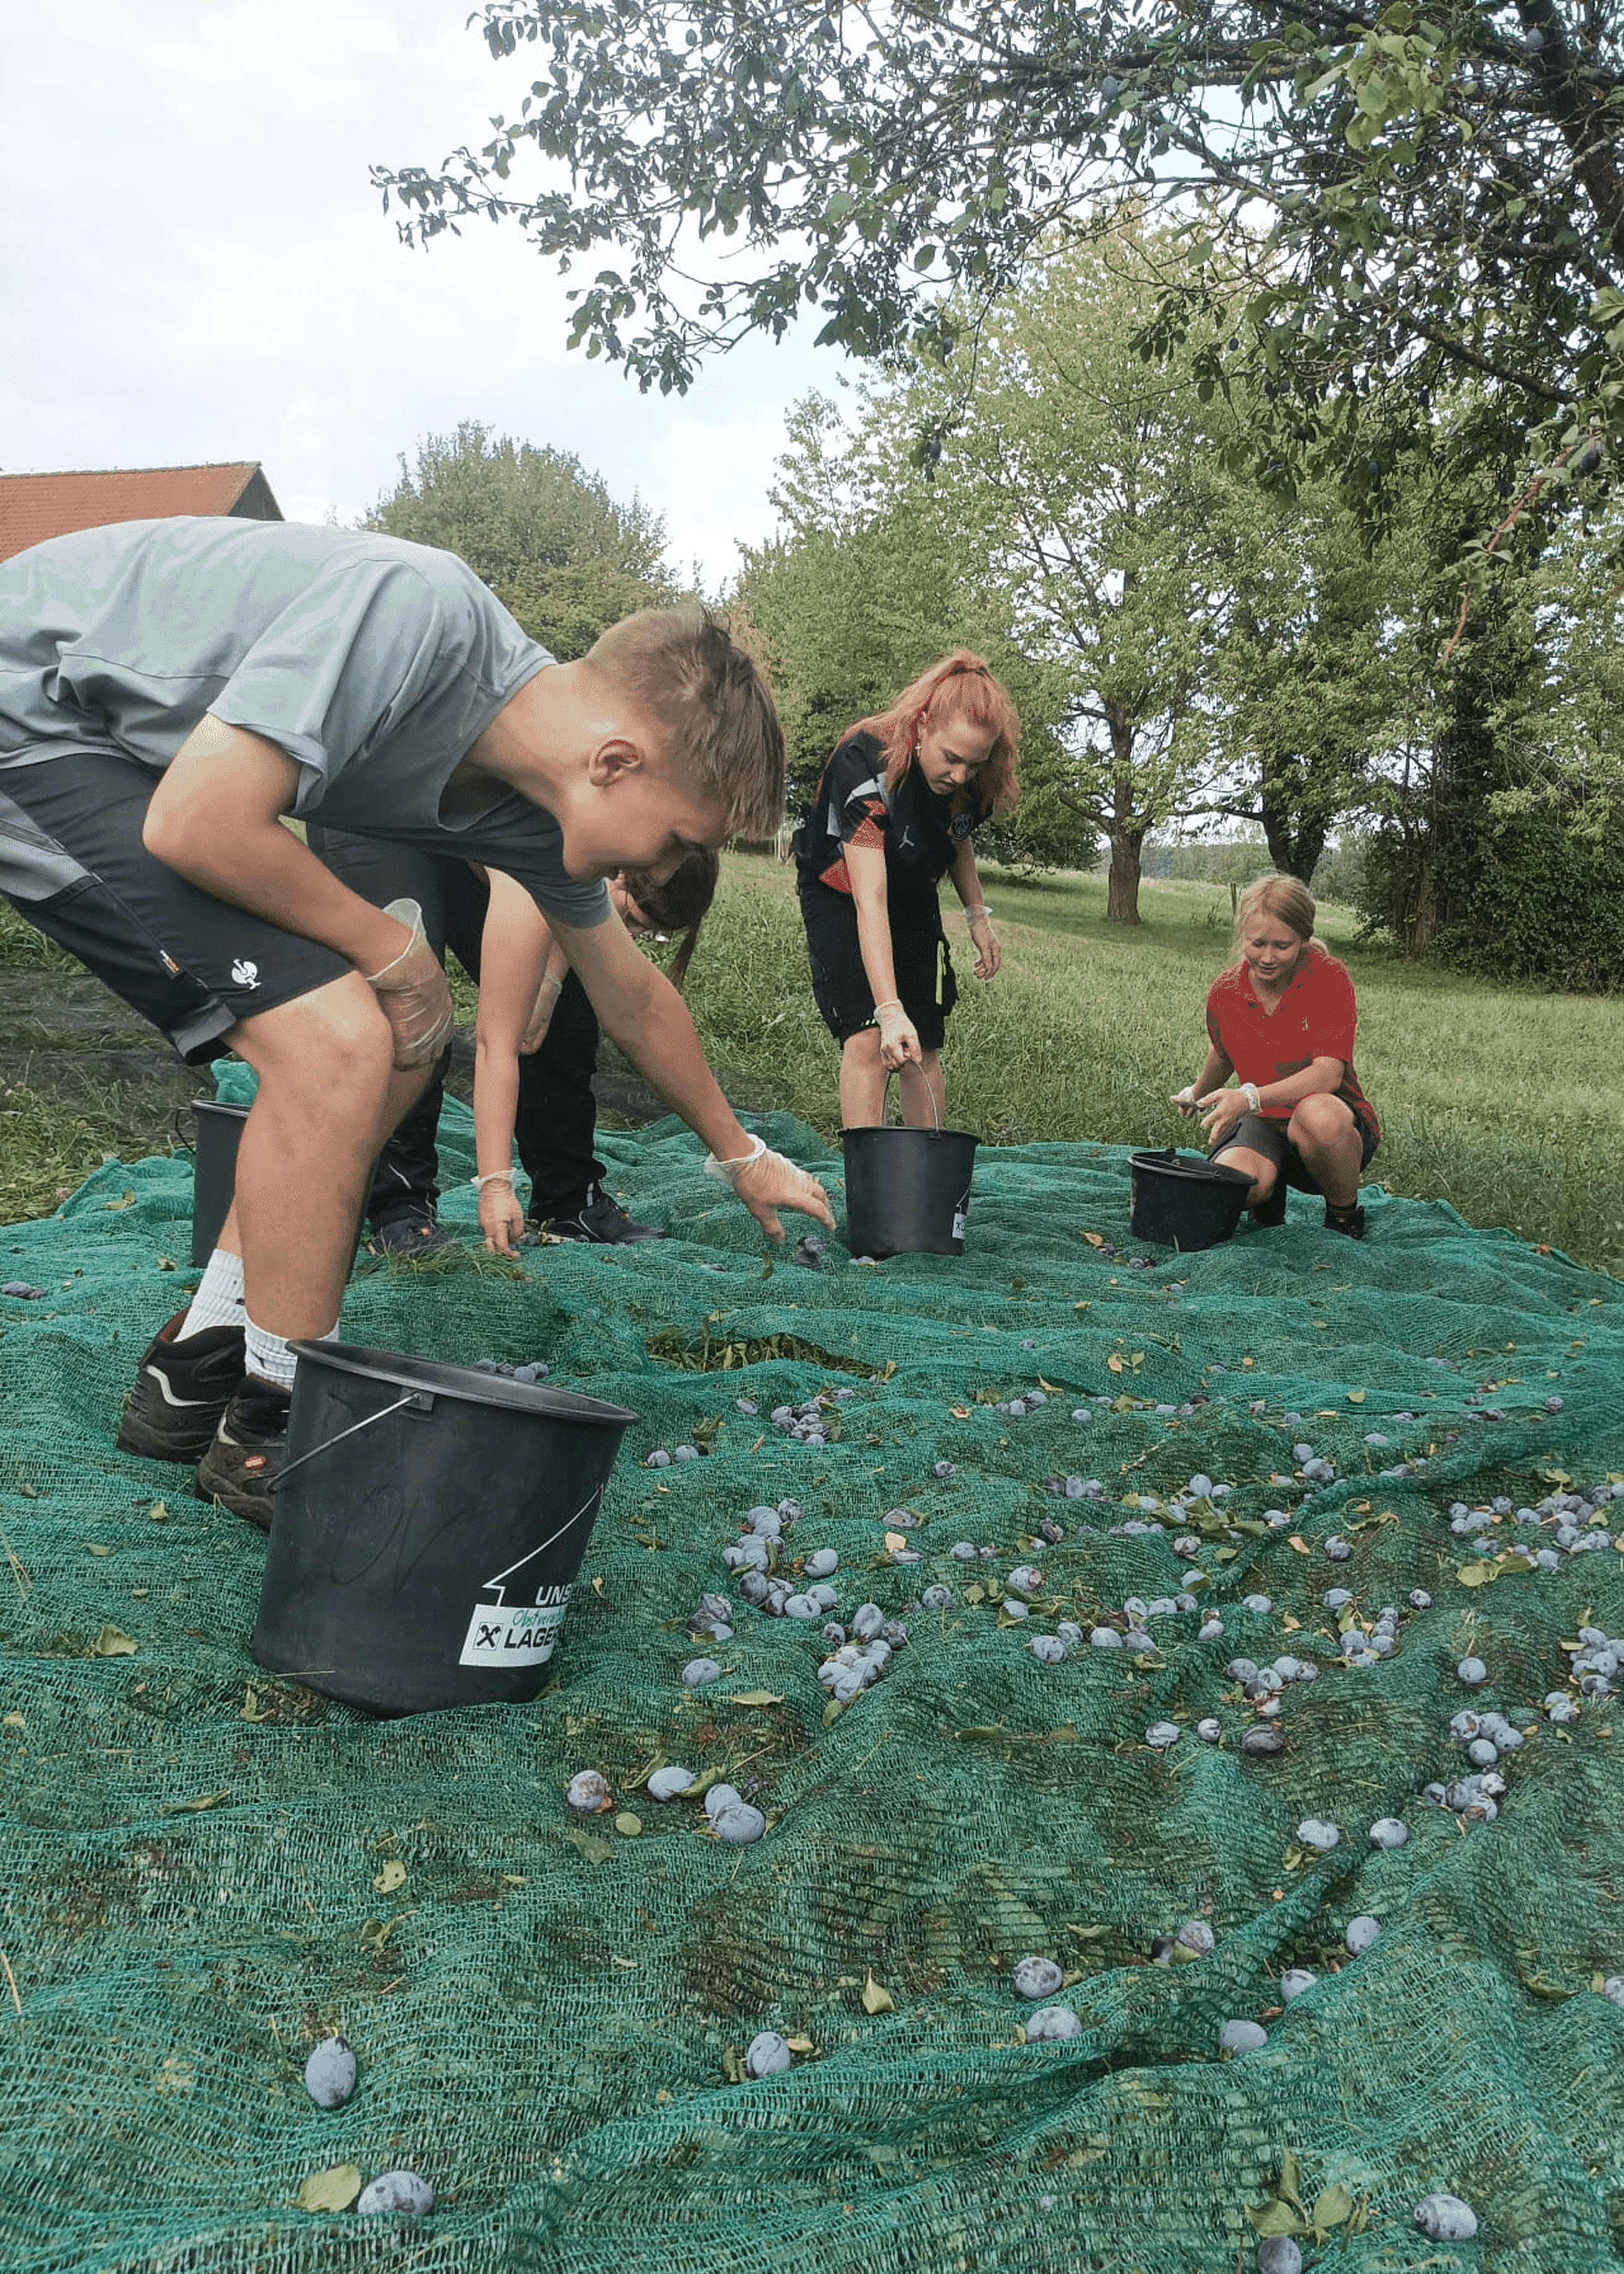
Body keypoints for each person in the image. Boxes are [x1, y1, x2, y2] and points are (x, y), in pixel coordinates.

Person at [0, 516, 831, 1526]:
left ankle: (196, 1367)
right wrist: (394, 954)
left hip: (128, 759)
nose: (651, 871)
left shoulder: (528, 812)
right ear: (616, 761)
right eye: (673, 839)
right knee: (341, 1039)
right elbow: (199, 822)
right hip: (36, 713)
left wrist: (740, 1152)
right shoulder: (418, 611)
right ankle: (278, 1429)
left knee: (392, 1039)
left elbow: (632, 994)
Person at [310, 832, 714, 1251]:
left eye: (645, 932)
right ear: (621, 870)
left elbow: (572, 938)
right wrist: (495, 1186)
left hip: (476, 841)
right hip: (381, 818)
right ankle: (400, 1207)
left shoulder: (586, 857)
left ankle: (569, 1202)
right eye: (631, 919)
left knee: (565, 1002)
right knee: (414, 1000)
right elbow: (494, 1044)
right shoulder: (552, 846)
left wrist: (552, 983)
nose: (626, 936)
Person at [792, 652, 1017, 1127]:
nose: (960, 775)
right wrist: (889, 1010)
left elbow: (956, 838)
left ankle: (925, 1177)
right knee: (871, 1037)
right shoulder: (865, 765)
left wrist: (978, 915)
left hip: (912, 884)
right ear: (921, 727)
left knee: (922, 1045)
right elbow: (870, 898)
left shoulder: (976, 774)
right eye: (951, 758)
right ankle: (868, 1183)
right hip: (842, 886)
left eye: (972, 765)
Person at [1174, 873, 1380, 1240]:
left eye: (1282, 946)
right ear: (1243, 937)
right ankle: (1267, 1199)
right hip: (1261, 1123)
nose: (1267, 958)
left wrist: (1250, 1097)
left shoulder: (1329, 978)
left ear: (1302, 940)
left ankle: (1343, 1216)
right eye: (1258, 944)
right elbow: (1223, 1055)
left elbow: (1328, 1075)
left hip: (1326, 1123)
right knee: (1233, 1186)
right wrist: (1197, 1092)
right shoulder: (1225, 991)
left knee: (1317, 1114)